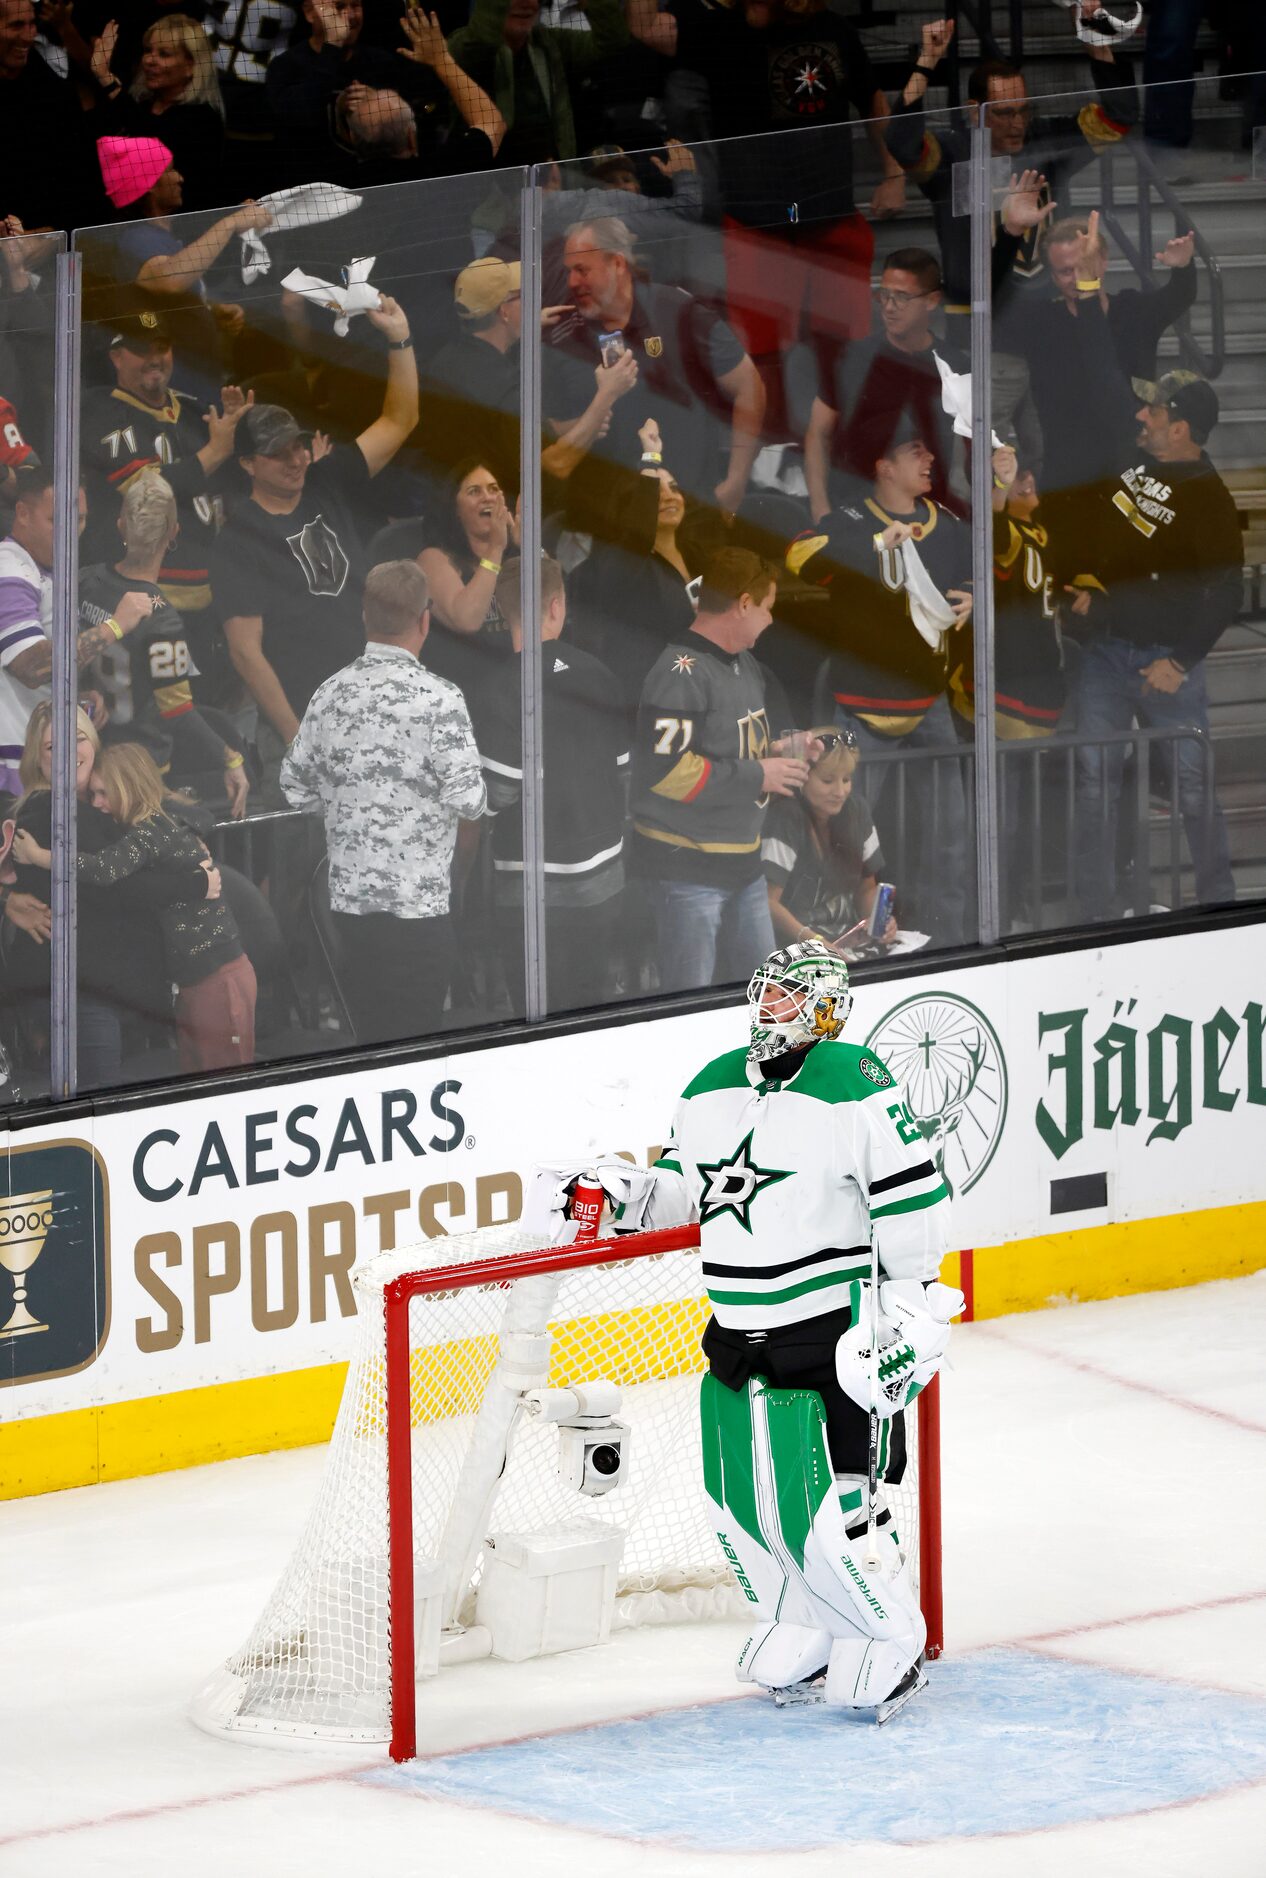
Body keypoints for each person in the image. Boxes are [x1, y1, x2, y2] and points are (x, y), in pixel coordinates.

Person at [530, 940, 958, 1715]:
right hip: (737, 1321)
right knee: (743, 1502)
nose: (767, 1007)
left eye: (787, 996)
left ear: (826, 1005)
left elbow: (912, 1194)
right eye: (763, 992)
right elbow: (686, 1194)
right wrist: (619, 1194)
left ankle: (885, 1634)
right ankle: (805, 1620)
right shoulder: (711, 1084)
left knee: (844, 1499)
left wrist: (913, 1299)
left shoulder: (854, 1080)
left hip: (832, 1321)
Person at [628, 0, 906, 444]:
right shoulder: (718, 31)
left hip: (830, 213)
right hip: (755, 221)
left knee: (846, 345)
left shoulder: (836, 28)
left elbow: (872, 98)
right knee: (761, 352)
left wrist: (893, 171)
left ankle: (852, 448)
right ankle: (771, 456)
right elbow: (643, 24)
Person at [213, 295, 417, 794]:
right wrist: (298, 738)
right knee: (309, 859)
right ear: (247, 465)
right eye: (277, 454)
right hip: (305, 721)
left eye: (300, 447)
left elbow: (399, 420)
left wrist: (400, 339)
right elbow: (246, 653)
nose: (296, 460)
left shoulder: (326, 481)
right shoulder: (240, 537)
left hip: (371, 703)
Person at [280, 558, 487, 1044]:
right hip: (420, 910)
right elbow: (470, 800)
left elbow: (294, 787)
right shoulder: (440, 698)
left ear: (365, 617)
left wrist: (347, 800)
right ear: (425, 619)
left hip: (351, 911)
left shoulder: (328, 695)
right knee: (416, 1048)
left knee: (369, 1044)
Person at [786, 420, 975, 946]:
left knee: (950, 836)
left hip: (931, 703)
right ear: (883, 466)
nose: (929, 461)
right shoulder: (849, 521)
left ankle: (952, 943)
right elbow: (798, 557)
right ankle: (851, 943)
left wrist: (975, 596)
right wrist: (873, 545)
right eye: (915, 452)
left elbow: (982, 574)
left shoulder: (951, 525)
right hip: (862, 708)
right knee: (852, 842)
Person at [1066, 367, 1241, 921]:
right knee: (1094, 781)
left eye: (1156, 413)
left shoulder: (1210, 499)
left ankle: (1219, 907)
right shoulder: (1137, 463)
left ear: (1181, 429)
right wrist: (1090, 588)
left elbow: (1227, 591)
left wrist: (1181, 659)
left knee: (1193, 786)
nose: (1143, 417)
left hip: (1167, 662)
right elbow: (1101, 535)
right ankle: (1095, 911)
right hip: (1107, 651)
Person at [13, 740, 255, 1074]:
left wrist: (39, 856)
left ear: (128, 788)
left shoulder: (151, 831)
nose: (98, 803)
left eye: (105, 793)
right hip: (195, 978)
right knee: (198, 1076)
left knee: (224, 1079)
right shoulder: (154, 825)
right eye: (94, 794)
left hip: (217, 977)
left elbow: (103, 870)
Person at [630, 545, 809, 994]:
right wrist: (759, 775)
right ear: (744, 604)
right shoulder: (679, 672)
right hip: (686, 869)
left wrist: (781, 750)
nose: (770, 620)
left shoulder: (746, 665)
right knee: (689, 1004)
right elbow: (666, 772)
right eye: (767, 609)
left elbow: (733, 745)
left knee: (767, 1001)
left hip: (743, 864)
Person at [886, 13, 1137, 321]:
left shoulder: (1045, 142)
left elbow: (1119, 118)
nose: (1017, 124)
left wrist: (1094, 39)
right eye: (1004, 113)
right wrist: (926, 61)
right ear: (974, 112)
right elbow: (900, 143)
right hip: (975, 314)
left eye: (1023, 111)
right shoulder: (950, 154)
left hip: (1049, 308)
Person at [480, 555, 627, 1014]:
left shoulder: (501, 688)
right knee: (591, 1010)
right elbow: (625, 770)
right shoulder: (600, 673)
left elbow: (499, 792)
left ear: (502, 611)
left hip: (530, 891)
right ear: (558, 605)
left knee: (537, 1018)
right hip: (604, 879)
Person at [547, 217, 765, 518]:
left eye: (582, 270)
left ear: (618, 264)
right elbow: (548, 433)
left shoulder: (678, 312)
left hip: (688, 509)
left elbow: (749, 387)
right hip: (609, 524)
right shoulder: (562, 336)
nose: (572, 282)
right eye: (569, 271)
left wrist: (736, 482)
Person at [78, 473, 249, 816]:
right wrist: (229, 756)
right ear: (174, 532)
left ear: (121, 525)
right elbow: (177, 710)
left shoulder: (85, 580)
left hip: (86, 763)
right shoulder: (162, 616)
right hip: (140, 773)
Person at [79, 308, 255, 629]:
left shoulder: (194, 412)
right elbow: (144, 493)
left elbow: (235, 487)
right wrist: (217, 449)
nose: (155, 358)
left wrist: (239, 433)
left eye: (161, 348)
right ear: (117, 357)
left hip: (211, 595)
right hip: (138, 597)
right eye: (142, 350)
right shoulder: (100, 409)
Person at [0, 464, 153, 800]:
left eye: (79, 519)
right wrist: (115, 625)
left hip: (35, 759)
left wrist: (75, 695)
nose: (70, 531)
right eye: (56, 520)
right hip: (10, 771)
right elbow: (30, 667)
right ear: (22, 513)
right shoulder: (11, 568)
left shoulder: (49, 571)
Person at [804, 248, 967, 523]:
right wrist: (821, 509)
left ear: (932, 300)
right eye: (884, 295)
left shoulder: (955, 366)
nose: (889, 307)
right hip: (855, 512)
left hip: (930, 516)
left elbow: (972, 447)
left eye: (902, 297)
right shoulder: (853, 358)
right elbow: (818, 433)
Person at [566, 418, 697, 724]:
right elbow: (638, 536)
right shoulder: (621, 564)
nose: (668, 496)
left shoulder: (697, 555)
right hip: (648, 704)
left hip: (697, 691)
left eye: (674, 487)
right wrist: (651, 457)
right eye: (655, 490)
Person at [446, 0, 630, 168]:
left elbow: (612, 42)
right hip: (488, 188)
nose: (526, 3)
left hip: (555, 182)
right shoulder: (462, 46)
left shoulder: (550, 42)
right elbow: (483, 38)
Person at [761, 728, 896, 955]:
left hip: (847, 943)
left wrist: (879, 921)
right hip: (794, 948)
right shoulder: (786, 817)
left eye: (846, 779)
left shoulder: (857, 810)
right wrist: (812, 940)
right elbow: (768, 902)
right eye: (827, 780)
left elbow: (867, 888)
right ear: (801, 776)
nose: (840, 791)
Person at [88, 12, 227, 212]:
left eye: (164, 54)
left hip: (180, 229)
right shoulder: (140, 104)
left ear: (190, 66)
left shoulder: (202, 119)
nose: (150, 60)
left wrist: (108, 81)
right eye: (148, 50)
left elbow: (153, 148)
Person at [0, 0, 106, 230]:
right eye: (16, 25)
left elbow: (83, 185)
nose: (29, 36)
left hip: (47, 243)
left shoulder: (54, 95)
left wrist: (47, 234)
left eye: (32, 24)